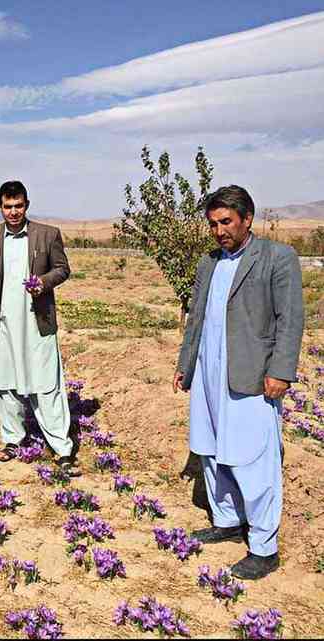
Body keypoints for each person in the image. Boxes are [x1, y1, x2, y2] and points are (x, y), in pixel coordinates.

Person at [174, 184, 303, 580]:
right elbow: (196, 318)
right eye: (213, 223)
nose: (218, 231)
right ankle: (227, 520)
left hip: (252, 374)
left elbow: (290, 319)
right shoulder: (208, 262)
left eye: (226, 222)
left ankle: (264, 547)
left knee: (253, 458)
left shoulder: (277, 258)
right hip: (209, 373)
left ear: (247, 219)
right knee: (210, 450)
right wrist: (186, 362)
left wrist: (281, 370)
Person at [0, 180, 76, 473]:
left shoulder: (48, 235)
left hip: (37, 321)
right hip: (3, 321)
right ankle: (12, 440)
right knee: (5, 383)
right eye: (8, 207)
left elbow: (62, 268)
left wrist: (43, 283)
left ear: (26, 205)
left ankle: (61, 447)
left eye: (18, 205)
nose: (13, 212)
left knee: (47, 384)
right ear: (0, 207)